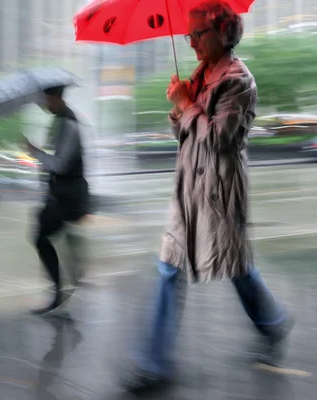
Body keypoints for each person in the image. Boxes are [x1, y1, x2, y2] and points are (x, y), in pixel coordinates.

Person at [122, 0, 294, 392]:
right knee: (170, 267)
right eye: (189, 35)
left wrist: (184, 105)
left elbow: (218, 140)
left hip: (220, 189)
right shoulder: (202, 74)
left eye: (197, 34)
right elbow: (186, 135)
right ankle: (154, 364)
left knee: (236, 265)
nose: (191, 42)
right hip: (188, 189)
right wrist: (178, 107)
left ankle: (273, 322)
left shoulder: (238, 80)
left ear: (222, 31)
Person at [25, 86, 90, 315]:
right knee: (46, 233)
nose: (43, 104)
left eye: (46, 100)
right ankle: (73, 273)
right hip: (62, 195)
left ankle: (61, 288)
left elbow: (60, 165)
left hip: (68, 197)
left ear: (56, 97)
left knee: (41, 237)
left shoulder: (68, 124)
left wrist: (36, 152)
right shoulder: (61, 121)